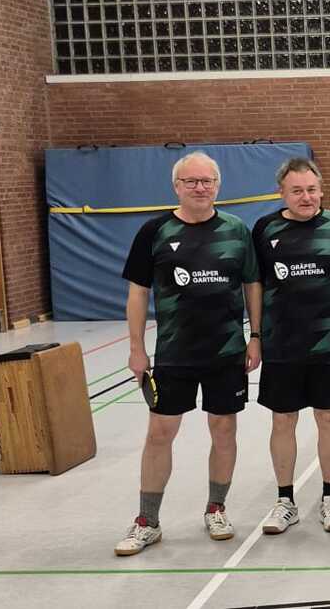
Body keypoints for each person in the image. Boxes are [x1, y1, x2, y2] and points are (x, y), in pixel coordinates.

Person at [115, 151, 261, 556]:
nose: (200, 188)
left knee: (224, 429)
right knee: (160, 433)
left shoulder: (236, 230)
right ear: (176, 186)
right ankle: (148, 520)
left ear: (218, 185)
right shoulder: (154, 231)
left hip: (226, 351)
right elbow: (138, 293)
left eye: (207, 181)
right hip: (174, 353)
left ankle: (217, 508)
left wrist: (255, 336)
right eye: (191, 181)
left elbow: (252, 284)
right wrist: (136, 349)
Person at [252, 158, 330, 535]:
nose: (306, 197)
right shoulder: (265, 229)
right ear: (282, 193)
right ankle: (285, 501)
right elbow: (255, 285)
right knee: (283, 420)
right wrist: (256, 336)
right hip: (281, 344)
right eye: (297, 190)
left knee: (329, 418)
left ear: (321, 190)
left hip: (329, 344)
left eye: (312, 189)